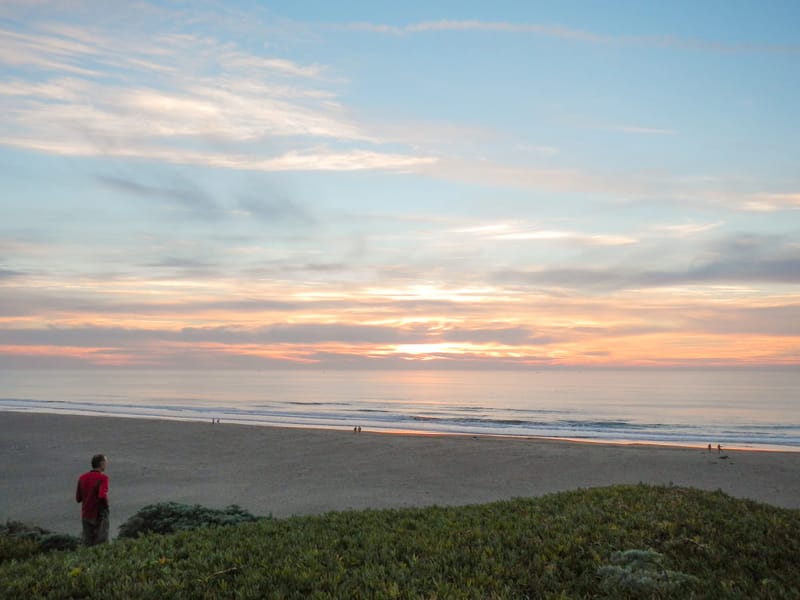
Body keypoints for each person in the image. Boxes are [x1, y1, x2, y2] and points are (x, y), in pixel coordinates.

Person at [76, 454, 110, 546]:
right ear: (102, 464)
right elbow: (102, 495)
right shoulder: (103, 478)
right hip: (99, 514)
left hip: (86, 514)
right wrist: (106, 507)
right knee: (101, 543)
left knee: (88, 543)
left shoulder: (82, 478)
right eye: (105, 462)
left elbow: (78, 499)